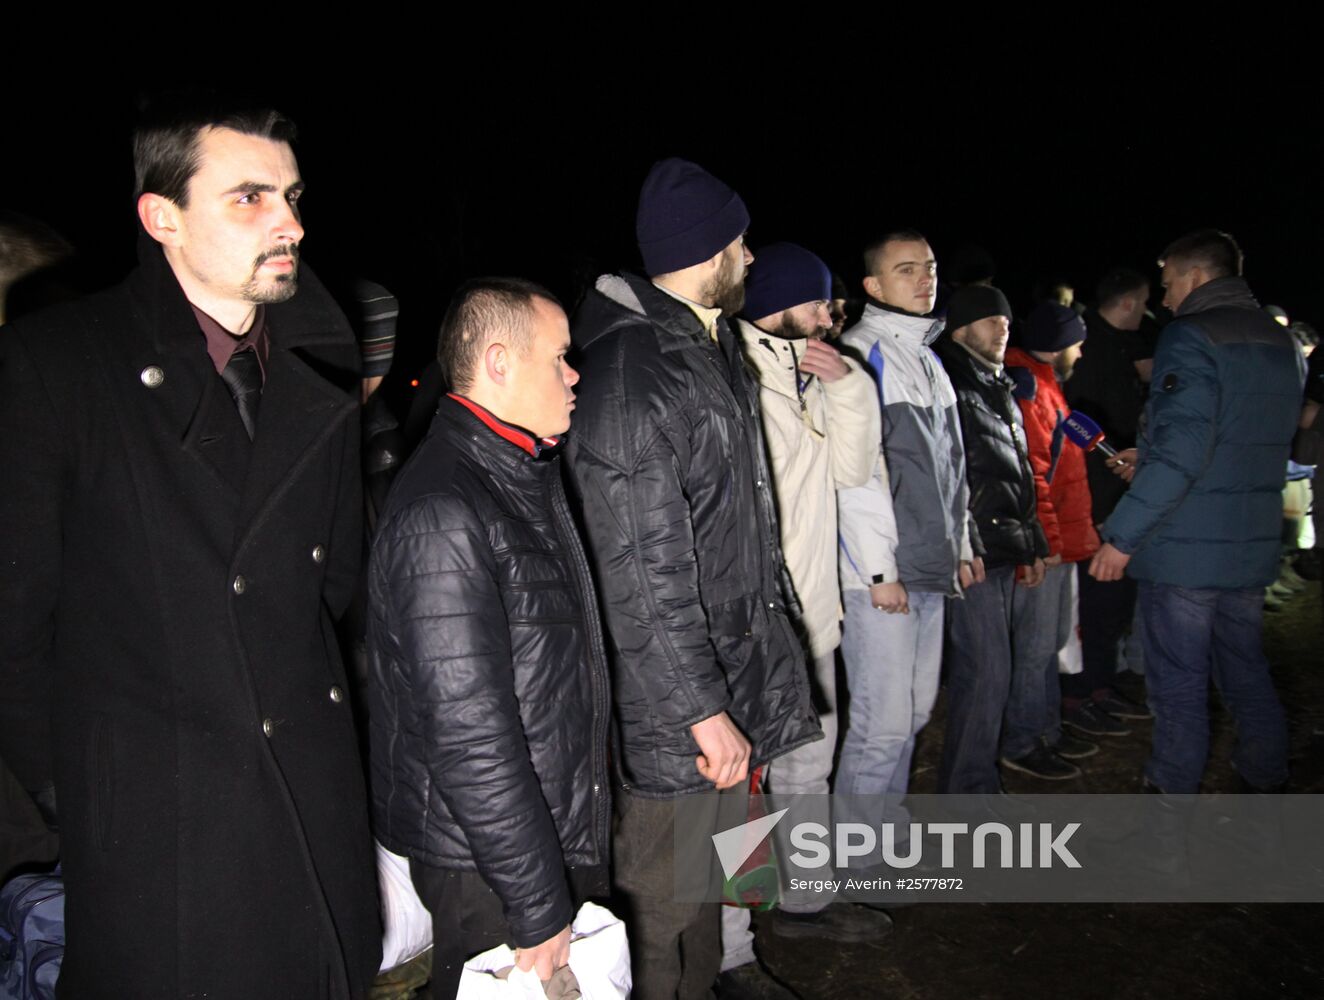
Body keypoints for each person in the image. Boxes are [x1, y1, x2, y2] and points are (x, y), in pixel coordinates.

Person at [0, 103, 380, 997]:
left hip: (310, 808)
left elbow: (331, 594)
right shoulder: (54, 365)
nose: (289, 222)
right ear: (160, 217)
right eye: (249, 197)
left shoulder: (316, 363)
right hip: (160, 841)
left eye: (290, 195)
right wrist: (94, 793)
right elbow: (12, 630)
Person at [567, 158, 820, 999]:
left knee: (717, 891)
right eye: (739, 243)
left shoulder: (701, 348)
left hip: (726, 678)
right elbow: (640, 569)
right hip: (676, 711)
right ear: (707, 249)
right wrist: (699, 709)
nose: (750, 257)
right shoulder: (636, 370)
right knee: (667, 912)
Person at [368, 278, 610, 996]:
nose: (573, 374)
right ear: (500, 363)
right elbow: (468, 732)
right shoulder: (446, 508)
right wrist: (537, 900)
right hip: (491, 864)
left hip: (541, 833)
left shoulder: (518, 474)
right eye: (560, 357)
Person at [1090, 229, 1304, 793]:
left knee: (1179, 687)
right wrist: (1153, 455)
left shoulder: (1191, 336)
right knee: (1246, 671)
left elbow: (1186, 452)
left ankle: (1168, 813)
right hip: (1251, 544)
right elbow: (1245, 441)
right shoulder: (1279, 343)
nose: (1164, 298)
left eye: (1167, 284)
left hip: (1185, 551)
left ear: (1194, 277)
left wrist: (1122, 536)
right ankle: (1265, 782)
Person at [720, 243, 887, 959]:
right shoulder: (730, 377)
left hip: (812, 617)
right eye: (818, 303)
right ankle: (729, 948)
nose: (830, 317)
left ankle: (808, 901)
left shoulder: (810, 376)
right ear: (778, 304)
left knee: (806, 770)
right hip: (753, 632)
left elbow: (851, 469)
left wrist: (848, 387)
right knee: (741, 797)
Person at [836, 231, 975, 855]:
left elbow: (951, 468)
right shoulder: (862, 355)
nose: (925, 280)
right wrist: (875, 570)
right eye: (907, 269)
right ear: (873, 285)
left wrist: (964, 544)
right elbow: (856, 477)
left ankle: (883, 842)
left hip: (929, 566)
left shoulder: (929, 359)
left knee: (913, 716)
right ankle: (847, 865)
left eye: (931, 267)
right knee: (879, 724)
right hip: (883, 577)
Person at [932, 285, 1059, 791]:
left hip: (1001, 546)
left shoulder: (995, 383)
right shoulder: (951, 380)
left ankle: (974, 783)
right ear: (961, 327)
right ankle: (966, 792)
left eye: (1006, 323)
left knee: (993, 670)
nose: (1002, 330)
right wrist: (964, 545)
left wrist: (1032, 543)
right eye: (991, 322)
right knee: (984, 672)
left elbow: (1017, 474)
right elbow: (952, 472)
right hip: (976, 551)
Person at [1003, 304, 1104, 761]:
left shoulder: (1043, 383)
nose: (1082, 355)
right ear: (1062, 344)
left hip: (1059, 537)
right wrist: (1043, 545)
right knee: (1036, 645)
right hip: (1049, 542)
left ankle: (1046, 729)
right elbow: (1033, 473)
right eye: (1079, 345)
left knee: (1049, 643)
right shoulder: (1030, 387)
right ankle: (1025, 741)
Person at [1065, 268, 1155, 722]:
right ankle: (1082, 693)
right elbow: (1079, 441)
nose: (1148, 311)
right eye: (1143, 302)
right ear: (1126, 303)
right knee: (1097, 604)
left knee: (1115, 601)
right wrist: (1099, 511)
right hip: (1101, 505)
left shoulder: (1118, 347)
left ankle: (1102, 684)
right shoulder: (1088, 351)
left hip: (1121, 499)